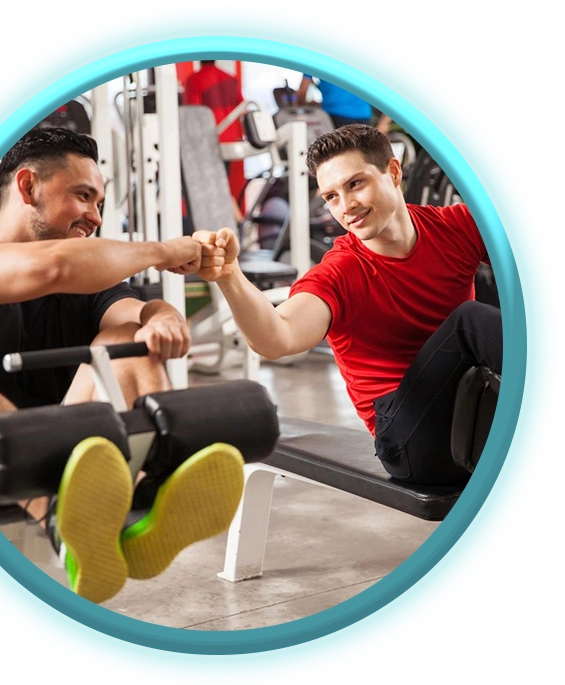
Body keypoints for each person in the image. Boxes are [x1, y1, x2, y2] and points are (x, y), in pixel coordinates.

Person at [0, 126, 245, 603]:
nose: (94, 217)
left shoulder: (91, 279)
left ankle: (143, 500)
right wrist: (165, 252)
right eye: (83, 197)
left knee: (128, 339)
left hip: (81, 470)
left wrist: (158, 316)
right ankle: (49, 505)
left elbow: (130, 314)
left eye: (99, 204)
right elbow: (50, 267)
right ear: (27, 186)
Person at [192, 124, 502, 486]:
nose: (346, 206)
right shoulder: (341, 273)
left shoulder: (456, 226)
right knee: (469, 322)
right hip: (409, 441)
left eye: (355, 184)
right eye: (331, 196)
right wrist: (230, 275)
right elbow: (277, 338)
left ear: (394, 171)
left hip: (474, 414)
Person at [182, 60, 246, 223]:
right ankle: (240, 223)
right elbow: (242, 108)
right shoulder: (230, 78)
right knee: (223, 186)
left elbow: (192, 114)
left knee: (215, 189)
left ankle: (240, 224)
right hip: (231, 139)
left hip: (210, 142)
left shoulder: (194, 80)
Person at [296, 74, 392, 134]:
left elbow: (302, 93)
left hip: (334, 117)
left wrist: (306, 105)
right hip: (364, 117)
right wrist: (383, 124)